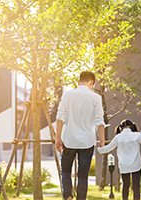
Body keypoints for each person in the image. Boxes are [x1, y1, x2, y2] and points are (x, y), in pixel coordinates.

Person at [55, 71, 105, 200]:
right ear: (91, 83)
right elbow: (99, 122)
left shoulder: (67, 95)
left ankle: (68, 196)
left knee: (65, 171)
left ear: (78, 82)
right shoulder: (96, 98)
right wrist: (102, 141)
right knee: (83, 175)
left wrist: (58, 138)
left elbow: (60, 118)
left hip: (69, 140)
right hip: (86, 142)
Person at [97, 119, 141, 200]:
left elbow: (108, 148)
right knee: (136, 188)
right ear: (132, 126)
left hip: (124, 166)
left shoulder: (118, 137)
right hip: (136, 165)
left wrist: (99, 150)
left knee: (125, 186)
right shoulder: (136, 135)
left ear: (120, 128)